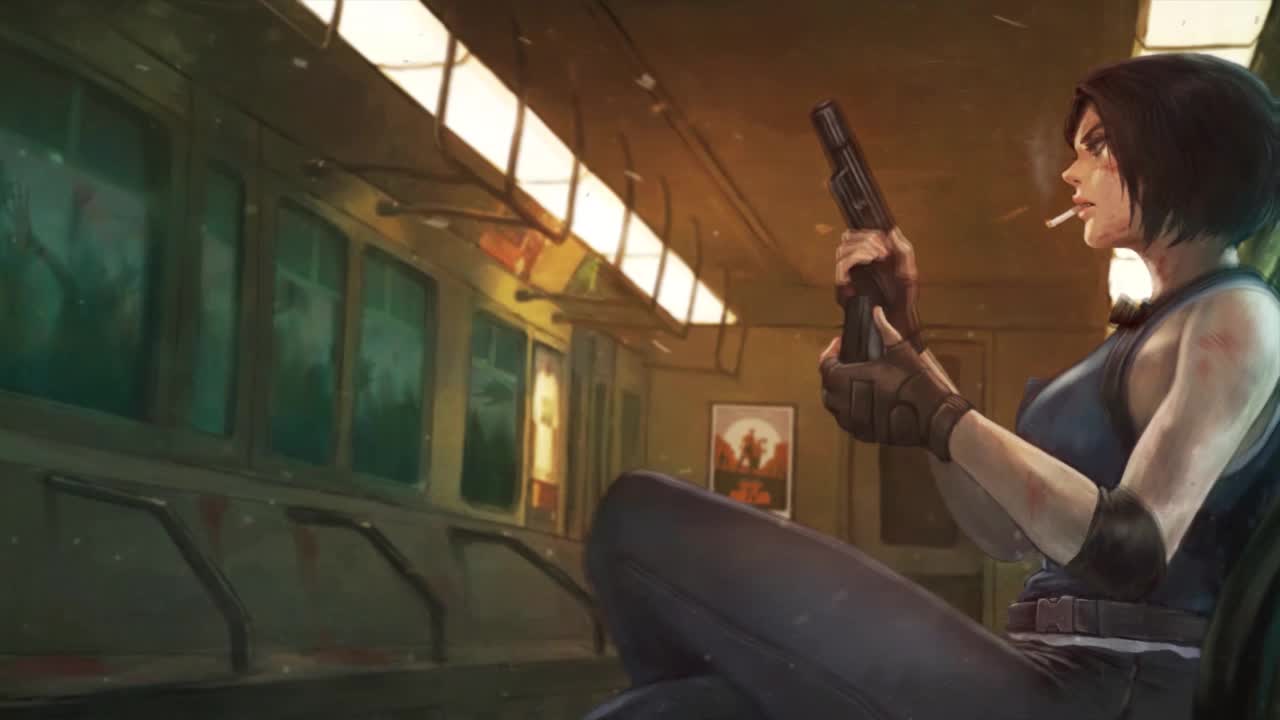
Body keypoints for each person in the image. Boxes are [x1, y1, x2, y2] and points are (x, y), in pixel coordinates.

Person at [580, 53, 1280, 720]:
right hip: (1053, 668)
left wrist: (939, 412)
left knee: (640, 518)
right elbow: (1002, 532)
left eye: (1099, 146)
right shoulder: (1147, 329)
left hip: (1111, 688)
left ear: (1186, 153)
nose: (1072, 171)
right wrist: (909, 345)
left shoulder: (1236, 316)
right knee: (684, 710)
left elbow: (1131, 551)